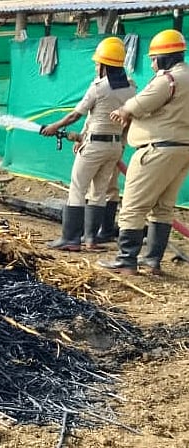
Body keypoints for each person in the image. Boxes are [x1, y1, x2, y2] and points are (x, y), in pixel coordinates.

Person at [99, 29, 189, 275]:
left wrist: (124, 111)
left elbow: (143, 102)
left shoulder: (168, 79)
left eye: (153, 59)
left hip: (157, 149)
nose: (151, 64)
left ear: (164, 58)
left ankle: (126, 260)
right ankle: (152, 261)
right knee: (164, 207)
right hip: (182, 151)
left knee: (133, 206)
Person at [39, 37, 135, 252]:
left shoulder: (99, 87)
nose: (95, 67)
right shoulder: (130, 87)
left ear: (104, 66)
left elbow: (76, 114)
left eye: (97, 63)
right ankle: (91, 239)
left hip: (94, 146)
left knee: (77, 188)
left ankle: (71, 239)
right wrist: (83, 135)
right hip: (114, 147)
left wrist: (54, 126)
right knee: (99, 191)